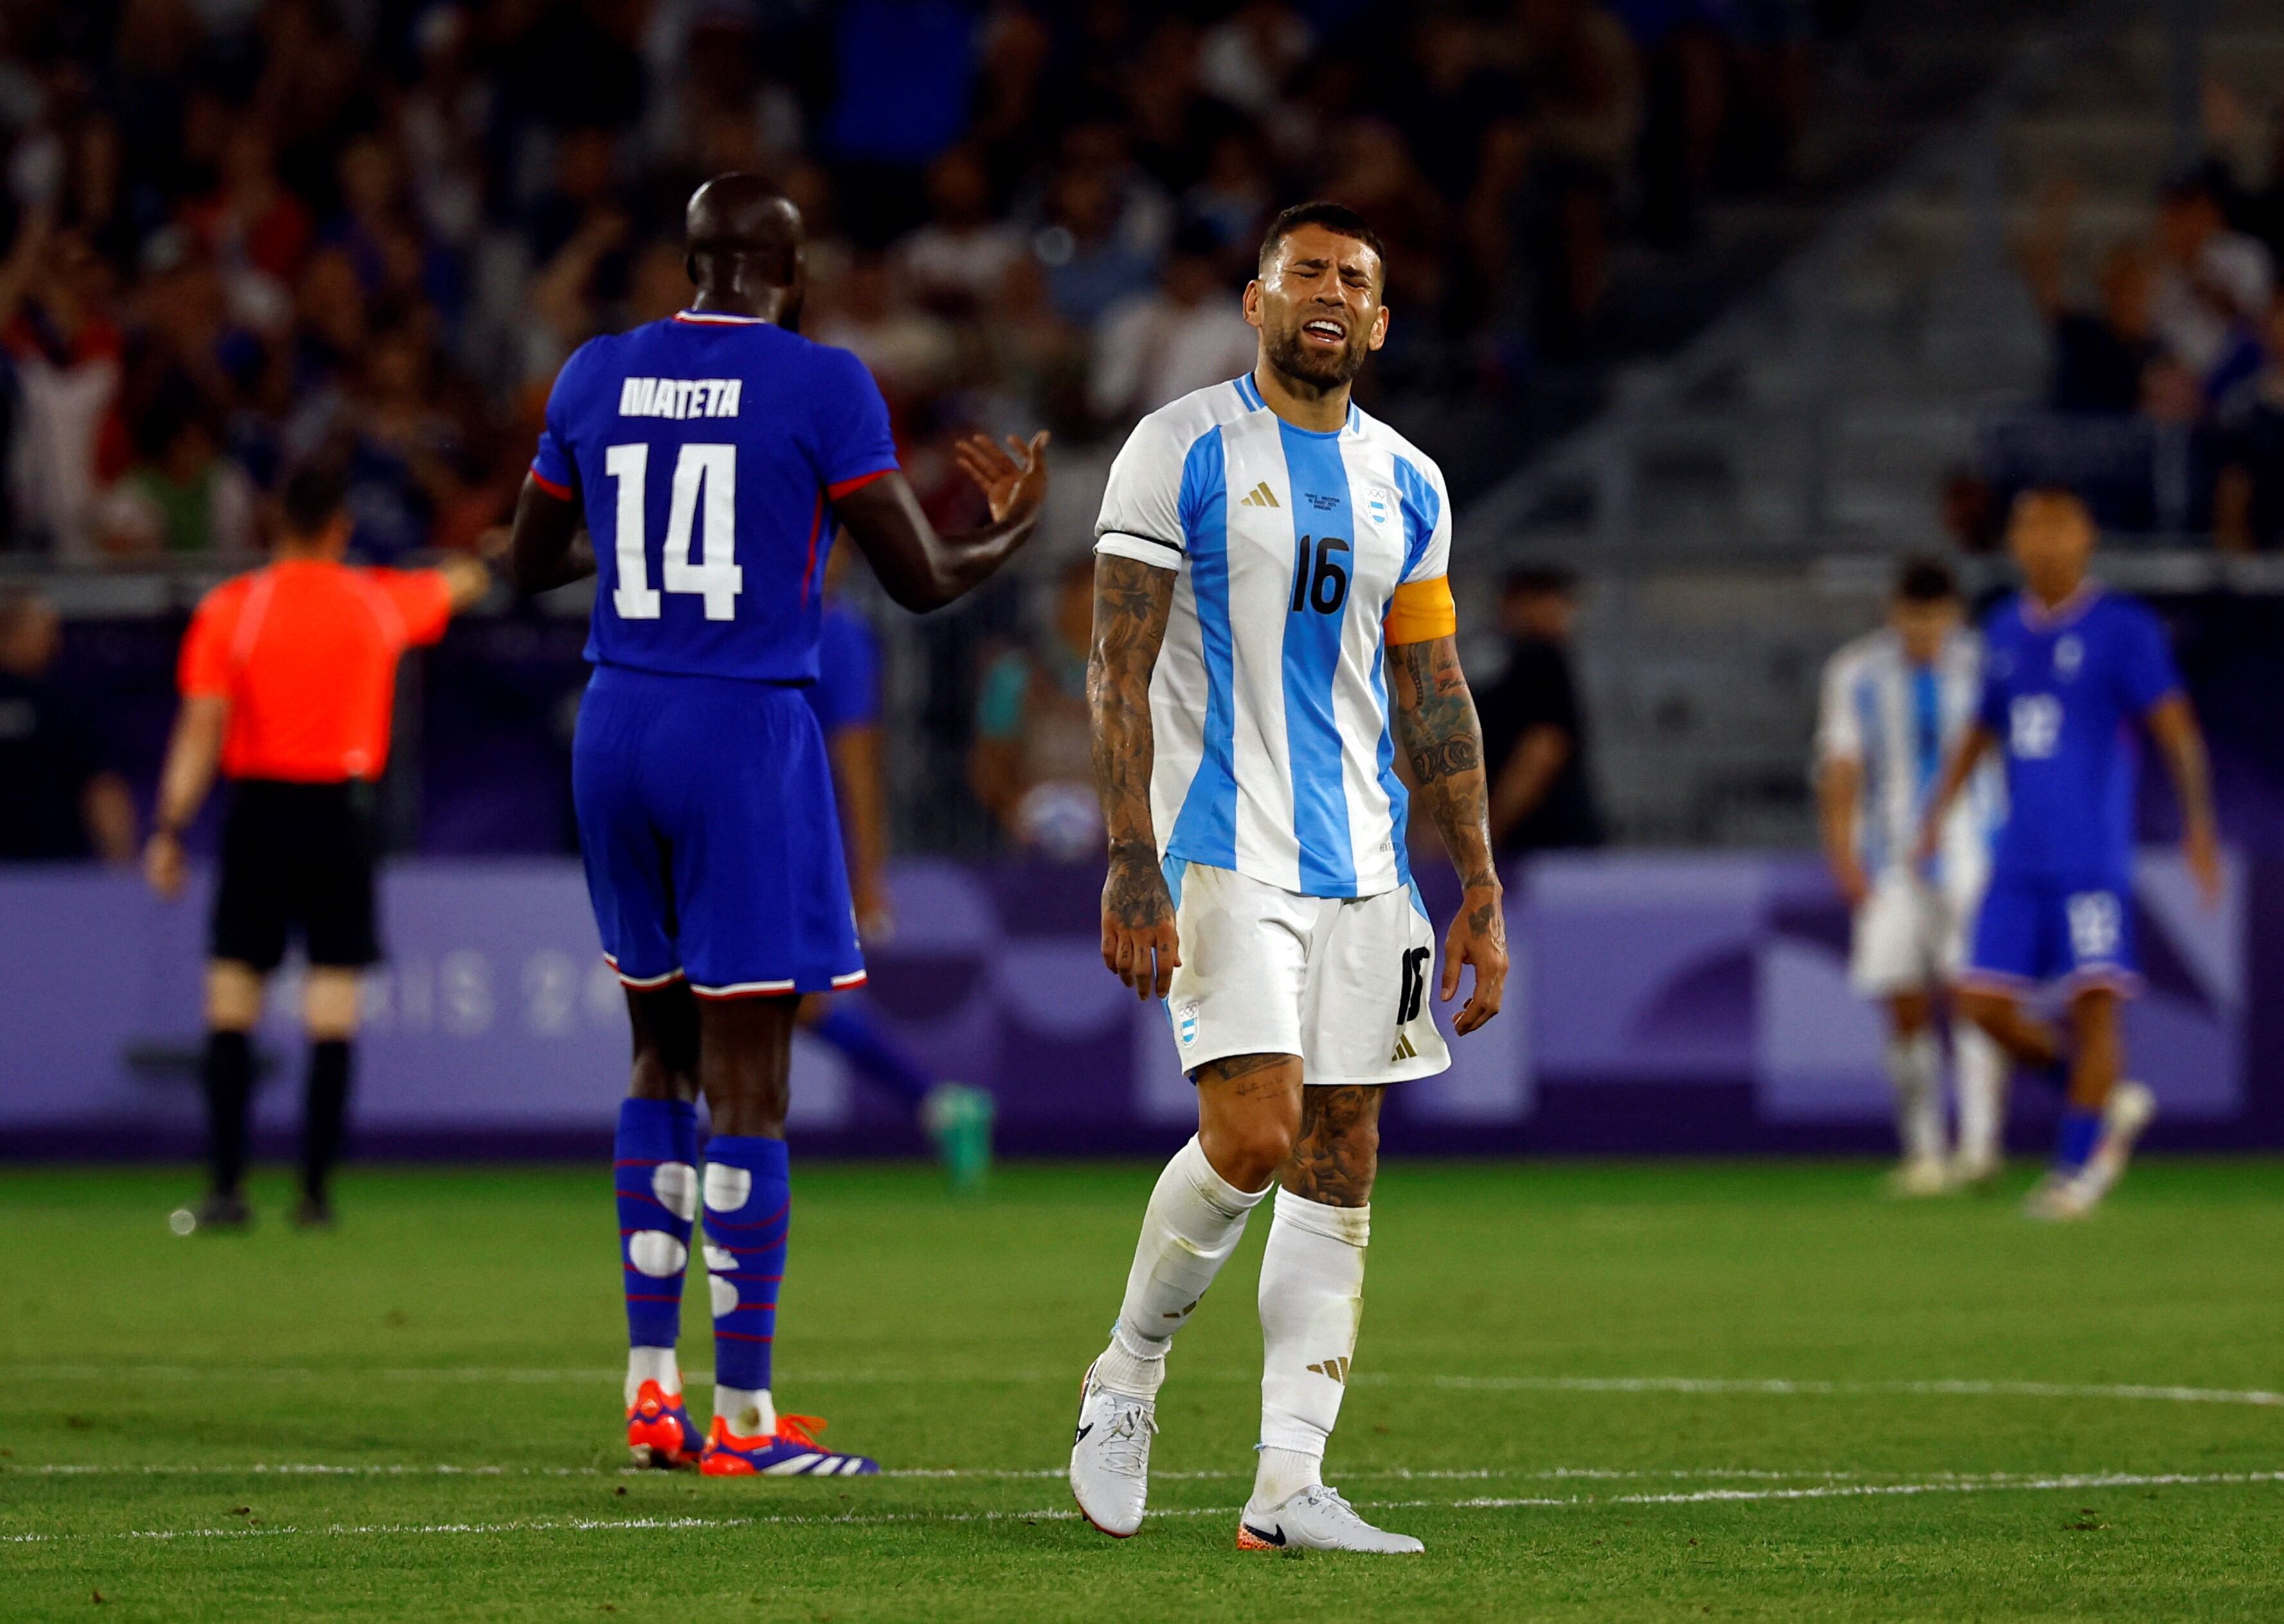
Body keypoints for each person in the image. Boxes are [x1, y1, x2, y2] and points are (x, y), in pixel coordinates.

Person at [507, 174, 1048, 1478]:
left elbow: (524, 560)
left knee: (658, 1056)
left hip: (616, 725)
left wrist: (635, 551)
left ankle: (652, 1396)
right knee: (752, 1078)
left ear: (690, 259)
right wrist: (1014, 530)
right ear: (788, 276)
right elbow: (919, 580)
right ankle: (743, 1421)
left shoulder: (595, 371)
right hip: (741, 736)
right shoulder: (822, 383)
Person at [1072, 201, 1507, 1555]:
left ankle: (1287, 1486)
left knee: (1343, 1159)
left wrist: (1479, 885)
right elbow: (1116, 666)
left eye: (1355, 280)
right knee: (1255, 1136)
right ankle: (1126, 1374)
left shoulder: (1411, 484)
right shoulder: (1179, 447)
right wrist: (1129, 856)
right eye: (1304, 270)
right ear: (1256, 301)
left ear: (1378, 324)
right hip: (1219, 848)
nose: (1329, 292)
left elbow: (1432, 687)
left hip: (1368, 872)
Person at [145, 459, 492, 1232]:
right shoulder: (373, 603)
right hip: (342, 815)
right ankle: (314, 1195)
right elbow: (457, 586)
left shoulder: (233, 610)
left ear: (274, 523)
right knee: (332, 1008)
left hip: (258, 813)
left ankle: (228, 1191)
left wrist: (169, 828)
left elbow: (200, 727)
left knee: (233, 1000)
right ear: (341, 528)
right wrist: (501, 552)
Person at [1917, 488, 2221, 1221]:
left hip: (2090, 858)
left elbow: (2175, 729)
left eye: (2059, 530)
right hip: (2017, 857)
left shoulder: (2121, 628)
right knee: (1982, 1006)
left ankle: (2076, 1169)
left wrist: (2198, 827)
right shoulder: (2001, 629)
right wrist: (1937, 814)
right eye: (2030, 531)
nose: (2044, 545)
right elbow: (1980, 731)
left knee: (2093, 1008)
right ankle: (2099, 1103)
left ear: (2085, 541)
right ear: (2015, 545)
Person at [803, 546, 996, 1191]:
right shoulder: (778, 622)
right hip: (759, 833)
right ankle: (939, 1104)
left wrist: (866, 874)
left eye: (832, 547)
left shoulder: (837, 634)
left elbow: (859, 759)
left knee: (765, 999)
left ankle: (700, 1156)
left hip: (797, 844)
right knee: (785, 1004)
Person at [1815, 557, 2009, 1195]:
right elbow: (1840, 766)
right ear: (1892, 612)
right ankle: (1924, 1151)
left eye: (1934, 618)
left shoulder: (1987, 663)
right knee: (1900, 996)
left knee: (1976, 997)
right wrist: (1843, 855)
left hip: (1976, 852)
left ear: (1953, 615)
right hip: (1891, 858)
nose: (1923, 632)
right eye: (1911, 618)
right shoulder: (1855, 671)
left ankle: (1979, 1146)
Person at [969, 553, 1102, 860]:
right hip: (1030, 846)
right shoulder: (1013, 676)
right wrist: (1017, 810)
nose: (1092, 619)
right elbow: (989, 763)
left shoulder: (1142, 682)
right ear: (1059, 608)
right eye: (1083, 606)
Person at [0, 588, 138, 864]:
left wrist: (122, 860)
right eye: (44, 631)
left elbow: (101, 785)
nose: (55, 641)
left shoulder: (64, 704)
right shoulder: (65, 702)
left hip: (57, 870)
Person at [1476, 564, 1603, 858]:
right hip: (1545, 848)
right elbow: (1543, 749)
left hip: (1534, 843)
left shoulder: (1529, 661)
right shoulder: (1537, 659)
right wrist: (1489, 832)